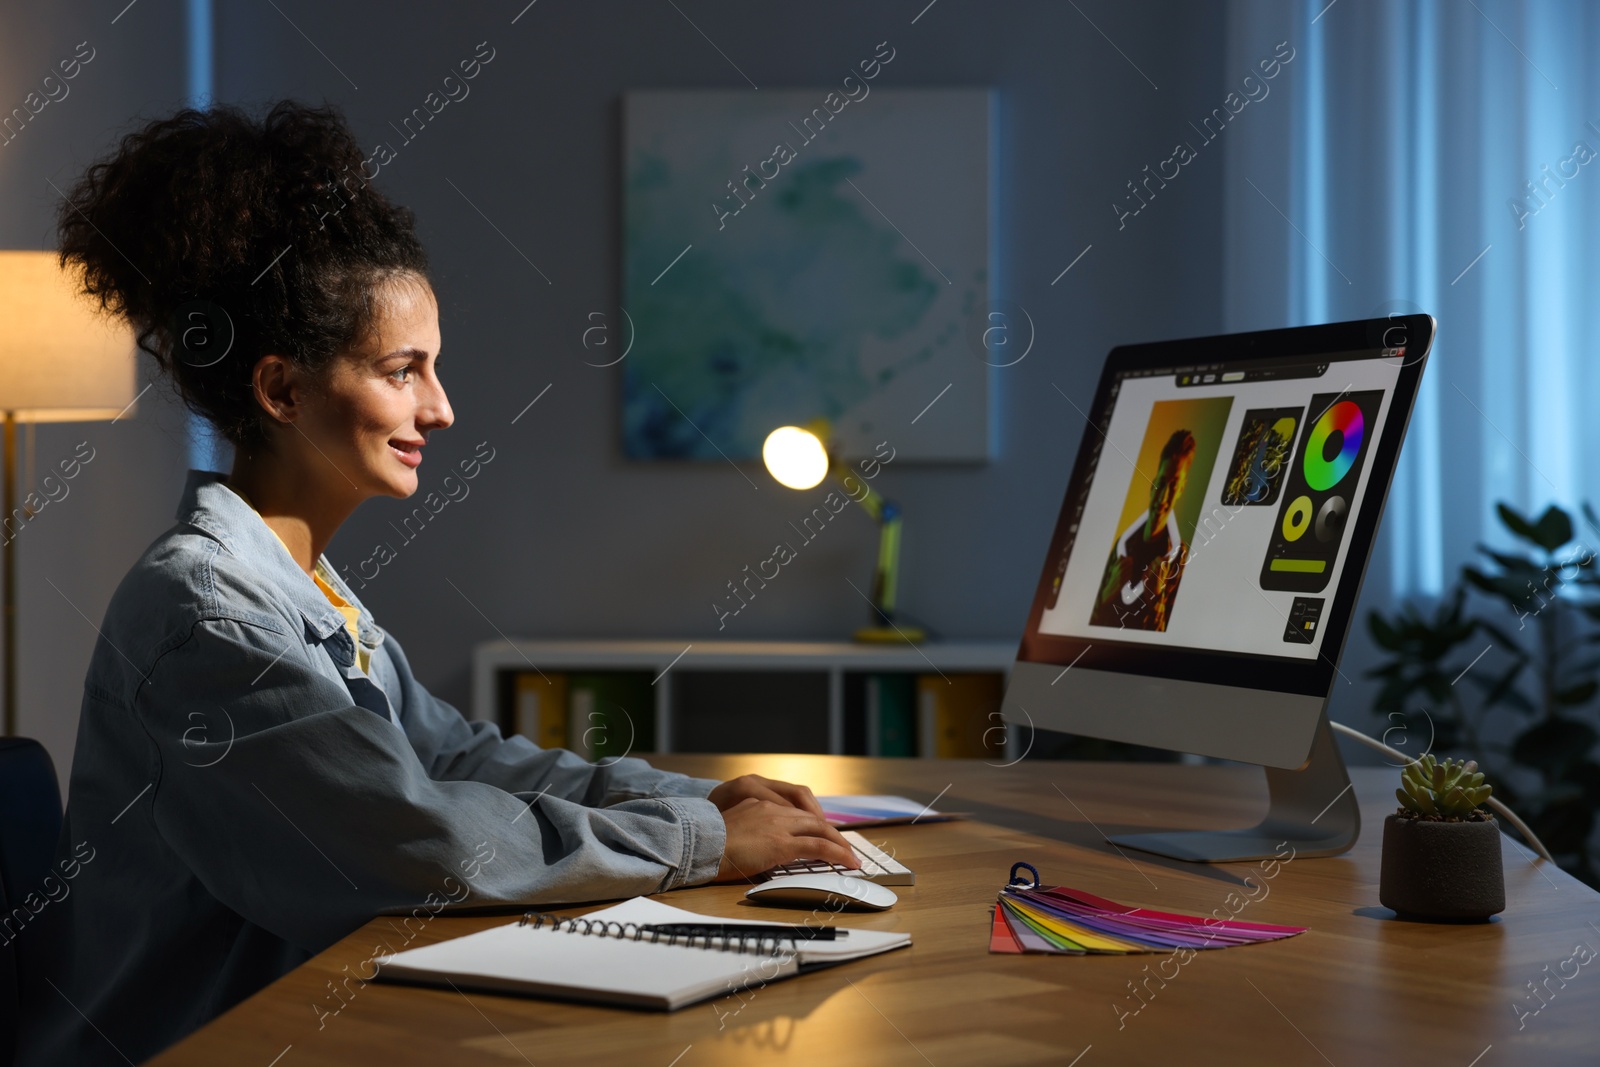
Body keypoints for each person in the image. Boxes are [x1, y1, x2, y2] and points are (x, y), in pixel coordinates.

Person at [17, 101, 857, 1066]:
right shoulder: (207, 620)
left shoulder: (303, 589)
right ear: (283, 391)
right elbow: (416, 840)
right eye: (403, 369)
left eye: (435, 368)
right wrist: (701, 842)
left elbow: (460, 761)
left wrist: (703, 799)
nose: (443, 408)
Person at [1089, 429, 1197, 632]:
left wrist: (1156, 599)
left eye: (1173, 486)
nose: (1163, 497)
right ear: (1152, 484)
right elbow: (1090, 622)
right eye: (1162, 483)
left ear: (1181, 489)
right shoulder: (1123, 545)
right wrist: (1105, 595)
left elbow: (1166, 644)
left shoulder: (1179, 560)